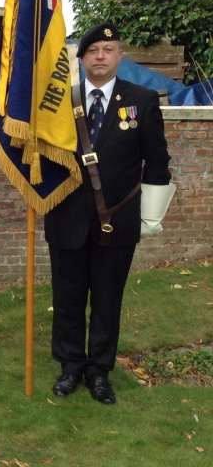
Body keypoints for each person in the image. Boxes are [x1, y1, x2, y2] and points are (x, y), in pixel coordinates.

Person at [45, 22, 173, 404]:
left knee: (106, 299)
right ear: (81, 58)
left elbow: (158, 161)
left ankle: (99, 371)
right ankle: (70, 366)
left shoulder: (143, 100)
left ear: (119, 54)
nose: (100, 56)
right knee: (67, 298)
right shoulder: (59, 103)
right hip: (66, 217)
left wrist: (150, 216)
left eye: (108, 49)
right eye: (93, 51)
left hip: (117, 218)